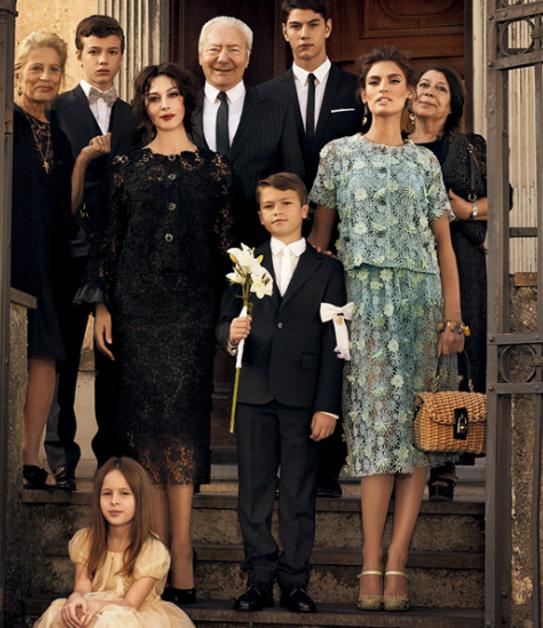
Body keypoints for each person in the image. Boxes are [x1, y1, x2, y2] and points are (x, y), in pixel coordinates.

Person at [308, 47, 465, 612]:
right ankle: (369, 559)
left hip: (421, 306)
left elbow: (444, 246)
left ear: (407, 94)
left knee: (419, 435)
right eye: (373, 81)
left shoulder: (425, 164)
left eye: (394, 80)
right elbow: (321, 244)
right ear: (364, 94)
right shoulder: (337, 155)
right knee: (376, 435)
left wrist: (453, 319)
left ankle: (399, 560)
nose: (383, 88)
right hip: (364, 307)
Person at [77, 63, 234, 604]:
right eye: (153, 97)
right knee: (143, 431)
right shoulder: (125, 166)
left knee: (183, 427)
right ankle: (155, 553)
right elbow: (107, 240)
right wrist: (101, 305)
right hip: (134, 310)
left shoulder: (216, 170)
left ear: (188, 101)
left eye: (172, 95)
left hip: (192, 311)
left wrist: (226, 316)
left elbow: (226, 249)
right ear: (144, 106)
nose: (164, 104)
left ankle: (181, 549)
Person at [215, 172, 346, 613]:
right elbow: (222, 323)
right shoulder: (244, 264)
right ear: (259, 215)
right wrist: (230, 335)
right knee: (252, 492)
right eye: (269, 205)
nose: (278, 212)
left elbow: (335, 343)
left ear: (305, 209)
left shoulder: (328, 269)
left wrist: (327, 406)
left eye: (286, 203)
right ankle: (259, 577)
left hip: (303, 398)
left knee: (298, 493)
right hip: (254, 392)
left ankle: (294, 580)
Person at [0, 31, 76, 491]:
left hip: (46, 259)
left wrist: (85, 161)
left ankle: (30, 456)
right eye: (36, 68)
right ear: (18, 72)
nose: (46, 76)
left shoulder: (60, 139)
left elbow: (63, 204)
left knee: (44, 356)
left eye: (54, 69)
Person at [256, 0, 364, 499]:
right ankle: (286, 465)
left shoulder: (353, 90)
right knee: (290, 345)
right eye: (295, 26)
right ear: (284, 32)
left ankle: (328, 468)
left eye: (313, 25)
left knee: (333, 347)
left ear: (329, 28)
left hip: (346, 243)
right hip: (285, 241)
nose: (304, 34)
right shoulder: (265, 94)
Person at [50, 15, 137, 489]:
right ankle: (60, 457)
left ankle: (112, 458)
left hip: (119, 256)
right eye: (95, 52)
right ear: (80, 55)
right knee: (62, 356)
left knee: (113, 359)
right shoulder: (57, 108)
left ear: (121, 55)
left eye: (112, 52)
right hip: (66, 252)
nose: (104, 61)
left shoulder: (134, 116)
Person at [409, 65, 489, 502]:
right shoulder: (394, 144)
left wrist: (467, 211)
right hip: (409, 264)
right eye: (423, 84)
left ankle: (447, 460)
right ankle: (411, 452)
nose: (429, 92)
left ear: (453, 103)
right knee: (414, 354)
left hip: (460, 259)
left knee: (456, 357)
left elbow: (502, 200)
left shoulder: (469, 147)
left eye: (441, 88)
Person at [33, 457, 193, 627]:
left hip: (133, 615)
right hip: (93, 606)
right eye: (107, 493)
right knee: (63, 616)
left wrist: (96, 606)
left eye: (124, 493)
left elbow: (131, 604)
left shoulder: (152, 550)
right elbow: (82, 588)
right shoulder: (86, 540)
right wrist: (75, 598)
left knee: (109, 623)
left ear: (140, 499)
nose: (114, 501)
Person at [191, 16, 305, 247]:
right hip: (192, 246)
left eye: (234, 50)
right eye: (214, 49)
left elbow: (293, 184)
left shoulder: (278, 113)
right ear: (201, 54)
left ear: (247, 58)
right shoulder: (181, 111)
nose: (223, 58)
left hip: (258, 248)